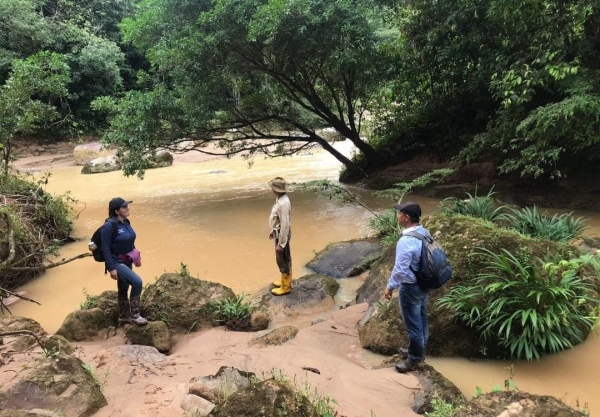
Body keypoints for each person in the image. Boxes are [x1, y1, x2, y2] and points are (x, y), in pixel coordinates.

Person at [384, 201, 428, 373]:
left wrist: (389, 287)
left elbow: (400, 270)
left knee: (413, 324)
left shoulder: (406, 241)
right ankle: (417, 351)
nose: (397, 216)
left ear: (406, 217)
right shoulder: (423, 232)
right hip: (423, 283)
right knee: (422, 319)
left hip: (410, 286)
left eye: (400, 213)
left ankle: (414, 360)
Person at [100, 197, 148, 326]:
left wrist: (136, 256)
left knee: (123, 288)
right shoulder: (109, 226)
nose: (127, 208)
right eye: (124, 207)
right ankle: (135, 315)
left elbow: (130, 241)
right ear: (116, 211)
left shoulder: (126, 222)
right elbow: (105, 248)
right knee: (137, 282)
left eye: (127, 206)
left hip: (127, 260)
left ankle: (123, 316)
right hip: (116, 262)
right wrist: (111, 268)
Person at [268, 177, 292, 296]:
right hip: (279, 232)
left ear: (276, 189)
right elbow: (278, 220)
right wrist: (273, 231)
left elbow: (285, 224)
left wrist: (281, 243)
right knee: (284, 258)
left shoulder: (283, 203)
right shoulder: (280, 199)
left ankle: (285, 286)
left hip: (282, 235)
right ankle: (285, 281)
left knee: (282, 258)